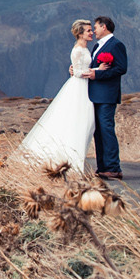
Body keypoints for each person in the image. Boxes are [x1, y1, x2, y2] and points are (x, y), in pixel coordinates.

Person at [16, 19, 98, 173]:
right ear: (80, 33)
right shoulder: (79, 49)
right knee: (77, 122)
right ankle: (71, 161)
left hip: (84, 87)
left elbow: (78, 68)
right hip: (80, 87)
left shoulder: (84, 48)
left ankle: (74, 159)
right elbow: (79, 72)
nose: (91, 32)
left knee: (83, 123)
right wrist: (96, 71)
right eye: (88, 30)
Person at [83, 15, 128, 178]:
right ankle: (102, 167)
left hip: (107, 95)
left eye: (95, 27)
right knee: (99, 131)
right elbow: (93, 68)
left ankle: (113, 167)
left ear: (104, 27)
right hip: (95, 95)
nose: (94, 31)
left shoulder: (116, 45)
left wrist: (98, 75)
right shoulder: (96, 47)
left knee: (107, 129)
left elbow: (121, 68)